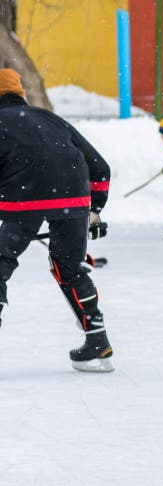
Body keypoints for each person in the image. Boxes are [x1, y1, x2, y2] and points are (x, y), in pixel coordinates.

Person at [0, 68, 114, 372]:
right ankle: (97, 343)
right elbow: (100, 168)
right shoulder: (50, 118)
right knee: (70, 268)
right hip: (74, 200)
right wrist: (94, 208)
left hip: (22, 199)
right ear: (19, 94)